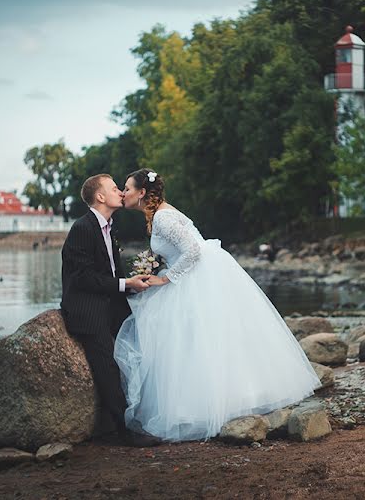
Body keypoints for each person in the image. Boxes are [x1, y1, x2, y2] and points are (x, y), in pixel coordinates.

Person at [113, 168, 320, 441]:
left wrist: (165, 279)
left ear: (141, 193)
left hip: (195, 278)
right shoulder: (160, 214)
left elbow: (193, 251)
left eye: (126, 188)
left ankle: (199, 408)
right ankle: (216, 400)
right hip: (201, 274)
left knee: (191, 341)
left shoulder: (162, 217)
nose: (122, 192)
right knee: (199, 340)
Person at [60, 173, 161, 447]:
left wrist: (133, 285)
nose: (121, 191)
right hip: (86, 308)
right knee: (107, 362)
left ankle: (143, 410)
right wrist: (123, 283)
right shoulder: (83, 228)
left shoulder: (109, 227)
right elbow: (81, 278)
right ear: (101, 197)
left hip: (109, 301)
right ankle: (123, 430)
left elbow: (110, 274)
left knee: (143, 341)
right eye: (115, 188)